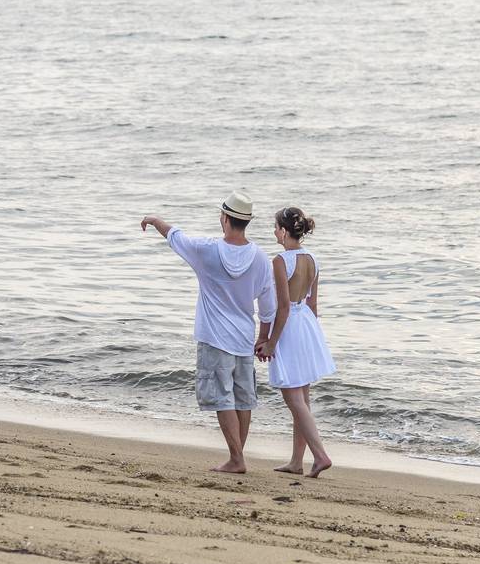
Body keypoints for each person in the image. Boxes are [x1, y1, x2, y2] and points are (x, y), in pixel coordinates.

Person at [141, 191, 273, 473]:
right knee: (243, 398)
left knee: (222, 397)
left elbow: (176, 236)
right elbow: (268, 307)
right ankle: (237, 456)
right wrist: (265, 338)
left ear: (224, 218)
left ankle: (237, 459)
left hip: (214, 337)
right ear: (246, 222)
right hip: (243, 337)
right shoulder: (261, 258)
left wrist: (155, 220)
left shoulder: (207, 250)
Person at [256, 207, 336, 478]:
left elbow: (282, 308)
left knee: (294, 399)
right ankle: (296, 462)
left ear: (284, 230)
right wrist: (312, 340)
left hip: (289, 328)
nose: (274, 232)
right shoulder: (313, 258)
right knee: (303, 399)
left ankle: (321, 455)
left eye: (276, 227)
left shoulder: (280, 260)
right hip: (307, 326)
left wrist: (270, 342)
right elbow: (312, 304)